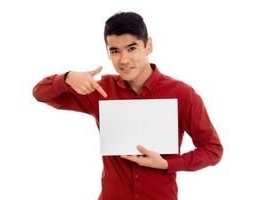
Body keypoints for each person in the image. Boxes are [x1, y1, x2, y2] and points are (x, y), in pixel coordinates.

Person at [33, 11, 223, 200]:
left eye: (132, 48)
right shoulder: (100, 90)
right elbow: (40, 94)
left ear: (149, 45)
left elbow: (212, 150)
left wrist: (167, 163)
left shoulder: (182, 94)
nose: (123, 60)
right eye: (114, 51)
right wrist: (67, 78)